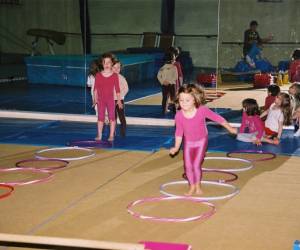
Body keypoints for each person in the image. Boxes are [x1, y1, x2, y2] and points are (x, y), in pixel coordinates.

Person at [169, 84, 237, 196]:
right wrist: (176, 147)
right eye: (181, 100)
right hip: (189, 143)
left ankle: (198, 185)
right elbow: (179, 133)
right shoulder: (179, 116)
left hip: (201, 141)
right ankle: (191, 186)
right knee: (187, 166)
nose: (184, 103)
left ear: (195, 100)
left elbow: (218, 118)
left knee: (196, 165)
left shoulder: (202, 110)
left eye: (187, 100)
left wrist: (229, 128)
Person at [94, 53, 122, 141]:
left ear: (111, 64)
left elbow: (117, 89)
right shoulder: (98, 75)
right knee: (100, 118)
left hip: (110, 100)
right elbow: (95, 89)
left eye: (108, 62)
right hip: (101, 100)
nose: (106, 64)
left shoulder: (114, 76)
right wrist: (95, 99)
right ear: (102, 64)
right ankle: (99, 135)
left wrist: (119, 100)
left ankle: (111, 135)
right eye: (104, 62)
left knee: (112, 118)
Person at [112, 59, 129, 137]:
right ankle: (112, 132)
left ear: (120, 68)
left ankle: (123, 133)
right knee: (113, 118)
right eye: (114, 67)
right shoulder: (108, 78)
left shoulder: (121, 78)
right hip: (111, 101)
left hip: (120, 100)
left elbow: (126, 88)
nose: (116, 69)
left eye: (118, 68)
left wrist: (120, 97)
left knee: (122, 117)